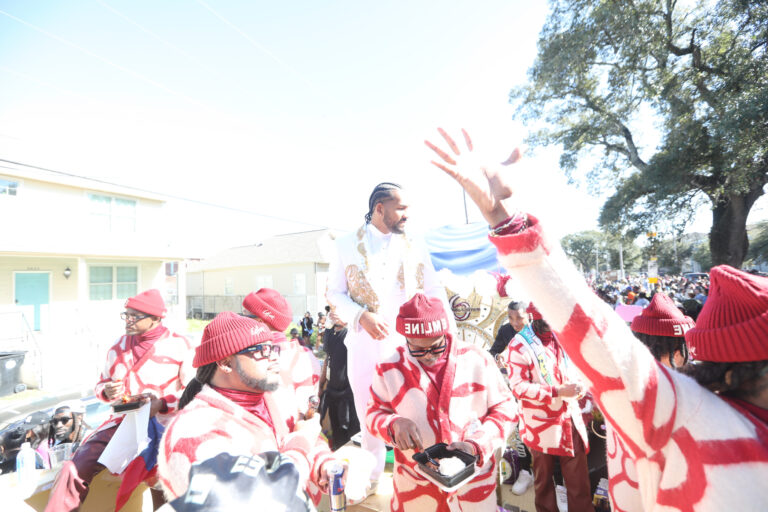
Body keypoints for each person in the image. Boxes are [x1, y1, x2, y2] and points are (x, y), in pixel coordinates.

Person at [426, 128, 768, 511]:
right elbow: (595, 342)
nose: (532, 318)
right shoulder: (688, 415)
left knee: (578, 492)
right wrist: (507, 221)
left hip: (572, 426)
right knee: (544, 489)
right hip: (542, 430)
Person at [326, 181, 452, 487]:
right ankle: (371, 476)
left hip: (411, 344)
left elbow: (434, 289)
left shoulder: (416, 243)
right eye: (402, 208)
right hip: (365, 342)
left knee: (415, 405)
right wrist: (361, 317)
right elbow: (334, 294)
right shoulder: (344, 245)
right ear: (379, 208)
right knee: (368, 407)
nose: (408, 215)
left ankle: (421, 472)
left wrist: (449, 330)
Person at [157, 312, 336, 505]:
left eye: (273, 348)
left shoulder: (274, 396)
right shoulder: (194, 429)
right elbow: (257, 500)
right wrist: (302, 443)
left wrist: (324, 463)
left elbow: (302, 434)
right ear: (225, 363)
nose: (275, 358)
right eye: (262, 350)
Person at [366, 293, 516, 511]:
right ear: (405, 338)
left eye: (436, 347)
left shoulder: (477, 359)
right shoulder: (389, 366)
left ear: (445, 332)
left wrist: (477, 445)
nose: (428, 356)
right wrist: (393, 424)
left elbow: (507, 409)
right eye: (418, 349)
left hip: (473, 490)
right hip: (416, 492)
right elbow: (372, 414)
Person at [46, 289, 193, 512]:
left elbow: (193, 392)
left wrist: (161, 405)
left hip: (164, 428)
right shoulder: (118, 346)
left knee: (164, 482)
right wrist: (107, 390)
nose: (128, 320)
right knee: (74, 467)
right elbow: (100, 385)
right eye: (126, 314)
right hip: (123, 424)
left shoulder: (181, 345)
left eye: (135, 316)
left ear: (155, 319)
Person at [502, 303, 593, 512]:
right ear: (534, 318)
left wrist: (580, 387)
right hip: (540, 425)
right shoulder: (519, 345)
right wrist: (557, 391)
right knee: (543, 483)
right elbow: (518, 388)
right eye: (547, 321)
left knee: (579, 482)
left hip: (570, 418)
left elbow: (577, 368)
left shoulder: (564, 336)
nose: (552, 325)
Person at [242, 288, 320, 418]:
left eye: (245, 315)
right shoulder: (305, 354)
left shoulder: (255, 357)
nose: (239, 321)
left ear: (260, 322)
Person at [318, 312, 359, 450]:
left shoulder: (351, 334)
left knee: (351, 430)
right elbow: (327, 359)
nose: (334, 314)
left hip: (349, 393)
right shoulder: (331, 333)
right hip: (333, 390)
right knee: (336, 429)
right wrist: (321, 383)